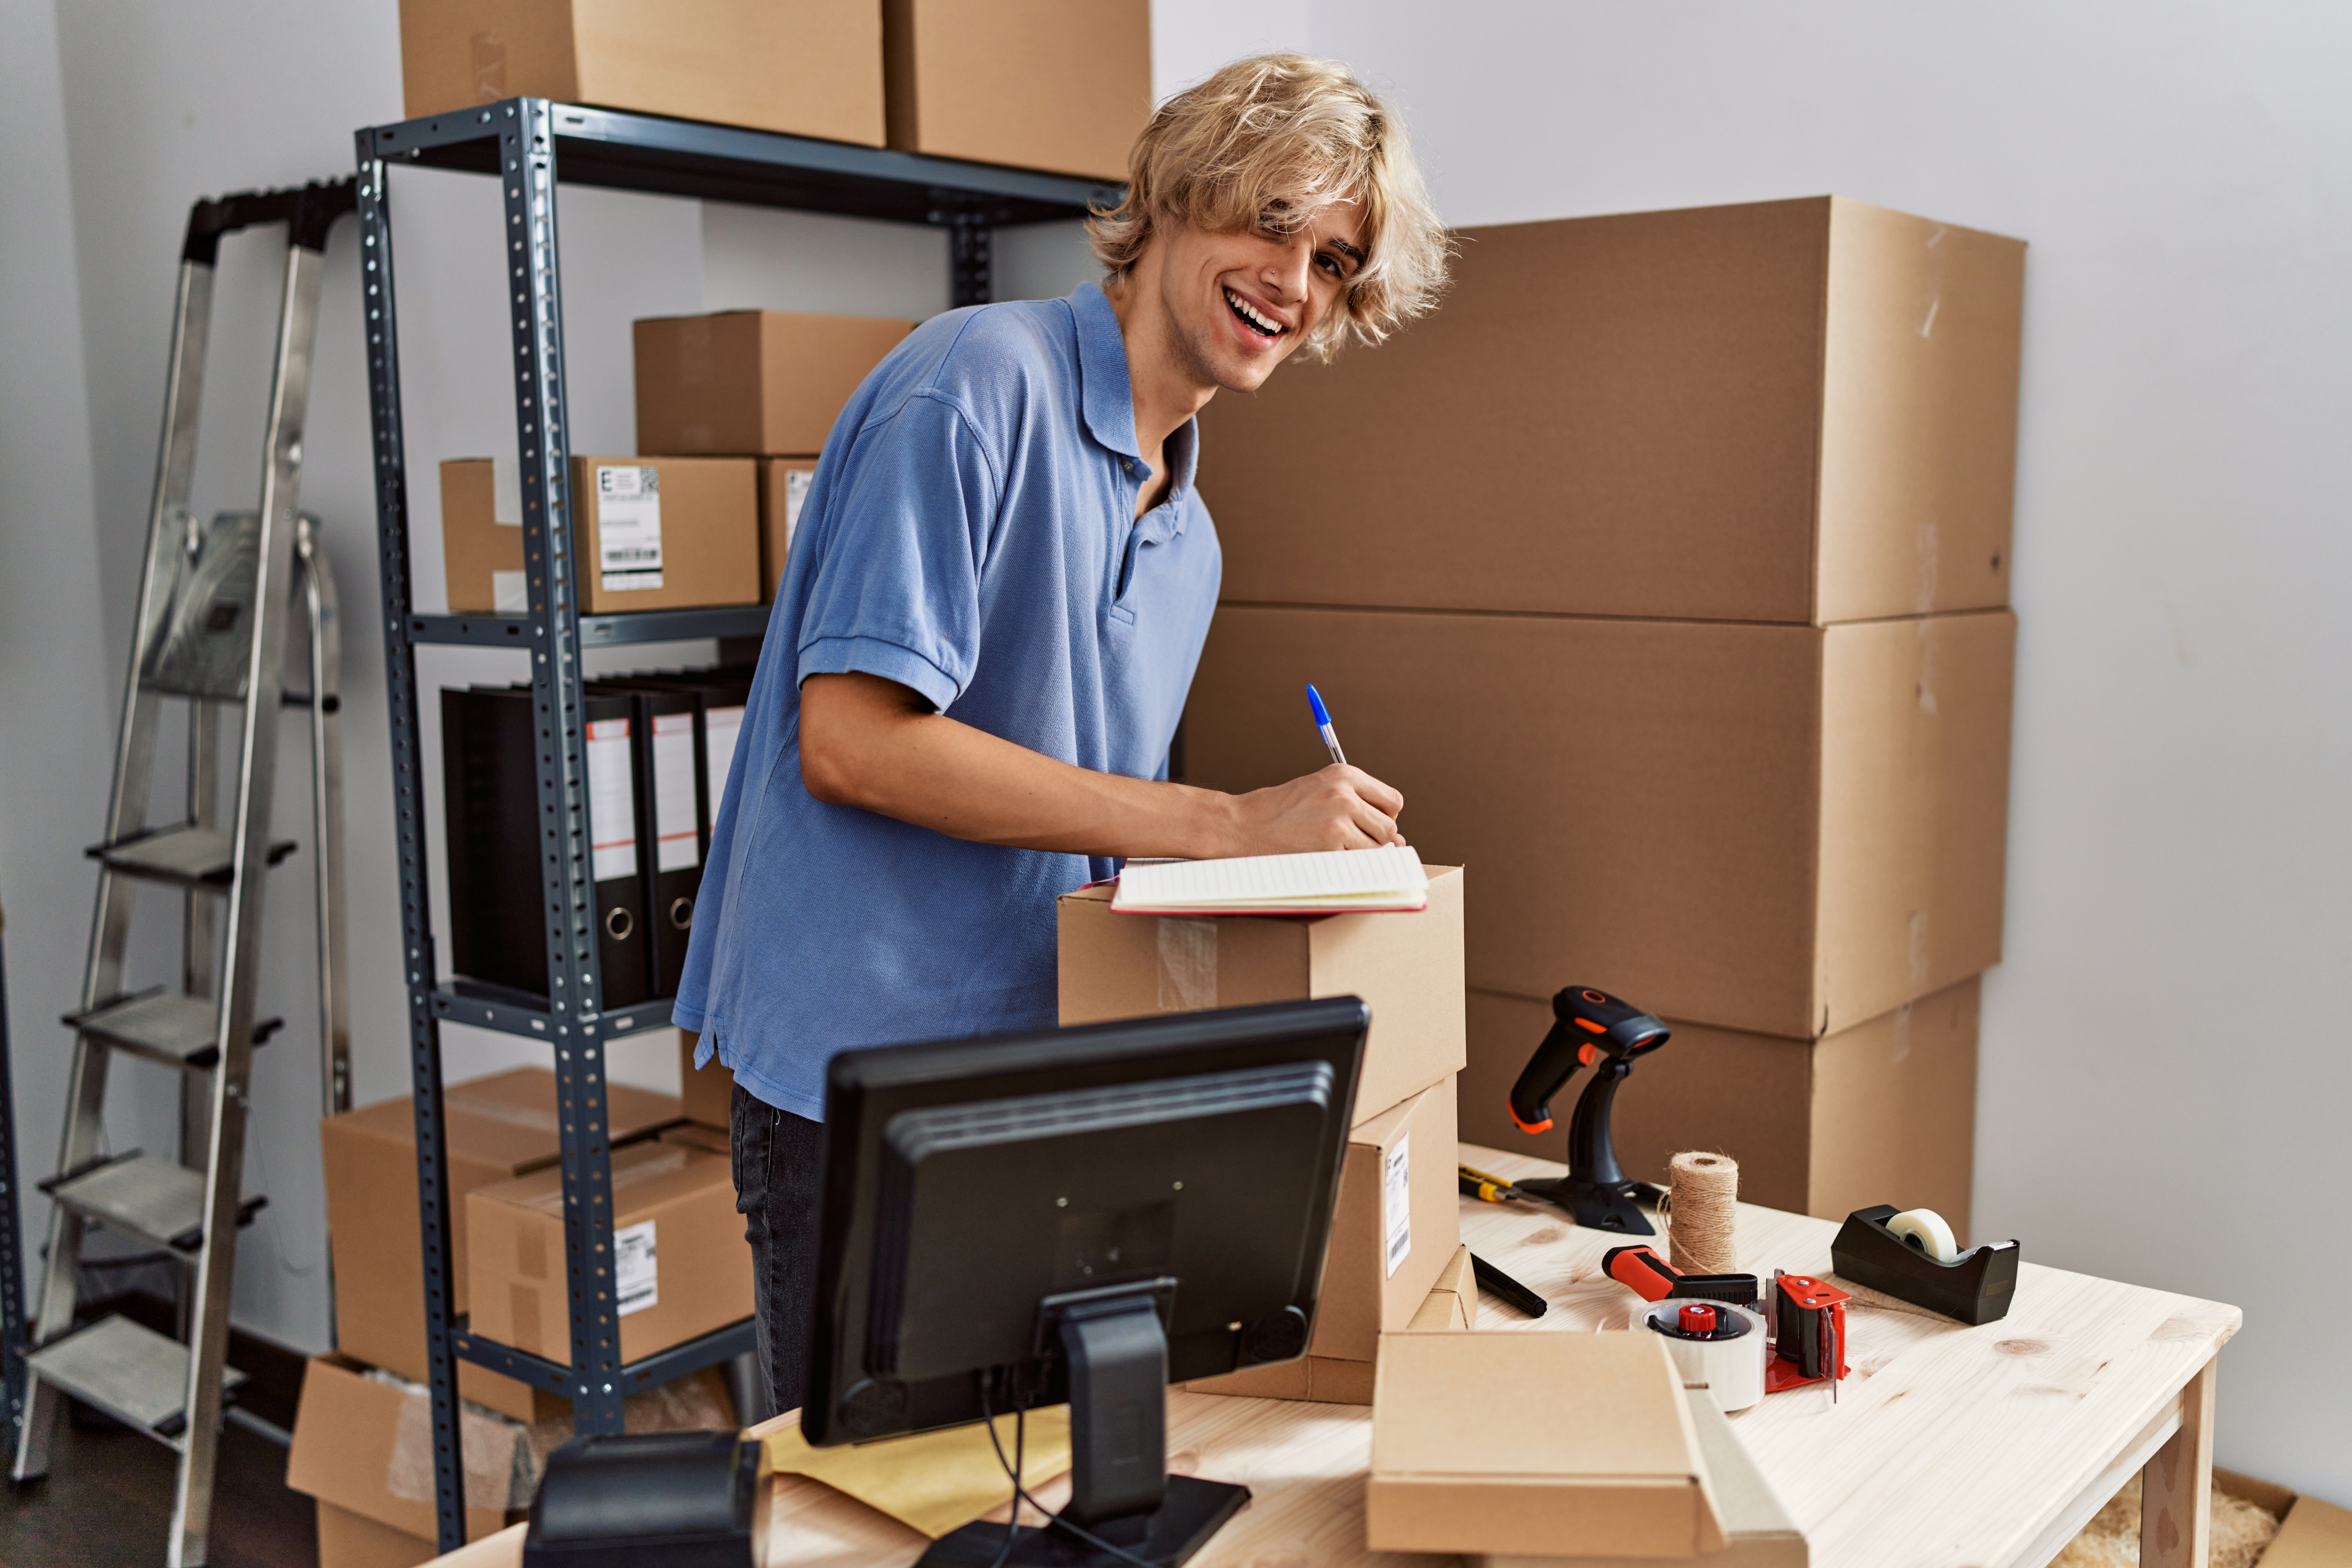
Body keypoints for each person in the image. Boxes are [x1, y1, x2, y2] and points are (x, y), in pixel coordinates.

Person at [673, 52, 1450, 1415]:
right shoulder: (976, 382)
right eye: (1270, 222)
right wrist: (1227, 823)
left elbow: (1089, 823)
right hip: (866, 1087)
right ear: (1170, 200)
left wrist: (1265, 892)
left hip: (1041, 1074)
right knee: (860, 1520)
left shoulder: (1191, 535)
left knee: (1015, 1502)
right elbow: (853, 742)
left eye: (1332, 260)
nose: (1294, 278)